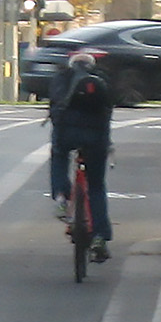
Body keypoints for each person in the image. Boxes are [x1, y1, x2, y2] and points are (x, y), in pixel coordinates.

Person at [45, 49, 115, 262]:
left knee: (58, 156)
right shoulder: (101, 79)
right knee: (96, 186)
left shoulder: (62, 77)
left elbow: (54, 105)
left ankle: (61, 196)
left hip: (66, 133)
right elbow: (108, 110)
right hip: (95, 138)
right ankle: (100, 237)